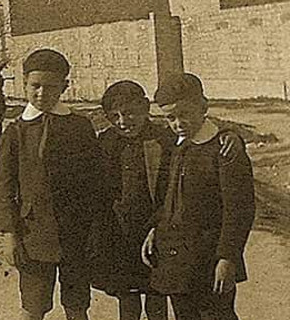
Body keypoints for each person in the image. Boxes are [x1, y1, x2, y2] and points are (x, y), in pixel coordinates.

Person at [0, 49, 105, 320]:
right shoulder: (16, 131)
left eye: (51, 87)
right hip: (33, 234)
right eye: (36, 86)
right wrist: (11, 235)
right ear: (25, 84)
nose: (42, 94)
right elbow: (5, 188)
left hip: (75, 234)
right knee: (33, 307)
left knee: (77, 305)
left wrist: (93, 229)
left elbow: (94, 180)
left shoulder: (79, 126)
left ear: (64, 87)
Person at [141, 73, 255, 320]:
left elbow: (239, 210)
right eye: (170, 117)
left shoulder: (223, 149)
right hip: (176, 259)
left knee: (216, 314)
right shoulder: (175, 146)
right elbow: (168, 198)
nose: (179, 123)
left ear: (203, 107)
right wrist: (155, 229)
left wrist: (227, 258)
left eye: (185, 114)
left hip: (209, 259)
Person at [90, 80, 172, 320]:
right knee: (127, 296)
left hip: (154, 230)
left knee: (156, 296)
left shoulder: (163, 140)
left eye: (129, 114)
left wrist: (160, 225)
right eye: (114, 116)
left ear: (146, 108)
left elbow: (172, 191)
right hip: (120, 232)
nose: (123, 122)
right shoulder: (105, 142)